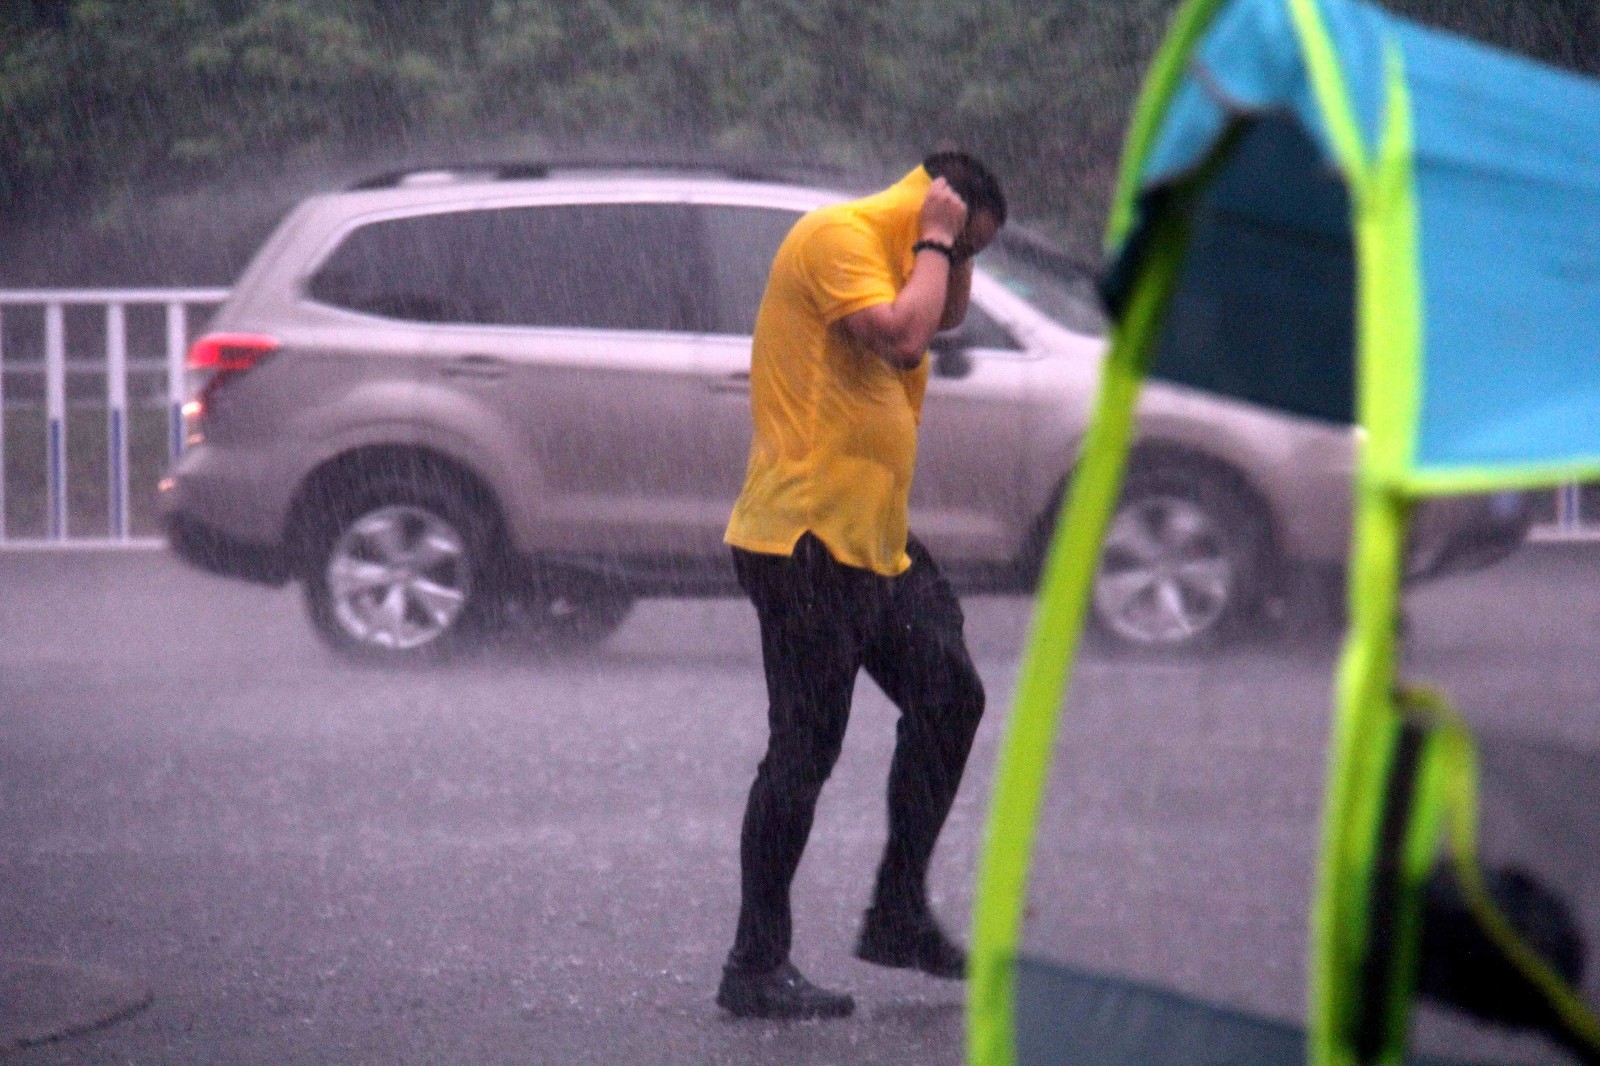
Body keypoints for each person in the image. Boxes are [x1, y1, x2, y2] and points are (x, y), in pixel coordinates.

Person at [715, 152, 1006, 1020]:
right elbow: (907, 335)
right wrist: (939, 239)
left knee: (950, 697)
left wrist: (944, 252)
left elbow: (936, 319)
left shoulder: (904, 260)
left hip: (872, 543)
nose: (962, 271)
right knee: (802, 754)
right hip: (804, 539)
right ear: (938, 207)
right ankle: (754, 964)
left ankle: (897, 912)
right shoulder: (838, 237)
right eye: (967, 248)